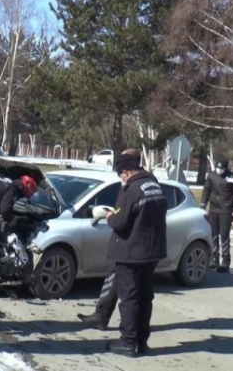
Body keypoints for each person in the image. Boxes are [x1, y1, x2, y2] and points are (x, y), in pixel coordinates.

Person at [78, 148, 156, 330]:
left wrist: (110, 216)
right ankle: (108, 318)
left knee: (129, 295)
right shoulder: (148, 181)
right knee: (125, 287)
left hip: (131, 245)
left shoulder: (135, 184)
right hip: (139, 244)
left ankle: (126, 332)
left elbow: (122, 219)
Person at [102, 153, 167, 357]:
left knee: (129, 299)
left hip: (130, 253)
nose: (121, 178)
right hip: (152, 251)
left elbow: (120, 222)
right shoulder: (154, 185)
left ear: (126, 172)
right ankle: (141, 342)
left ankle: (127, 342)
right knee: (145, 298)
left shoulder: (130, 190)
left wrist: (109, 217)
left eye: (121, 175)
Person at [200, 159, 233, 273]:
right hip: (213, 209)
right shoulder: (211, 176)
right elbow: (206, 191)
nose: (219, 170)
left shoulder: (232, 177)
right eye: (218, 168)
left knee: (224, 236)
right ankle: (214, 259)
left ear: (226, 168)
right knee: (213, 235)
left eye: (222, 168)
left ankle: (225, 261)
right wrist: (203, 206)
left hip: (226, 210)